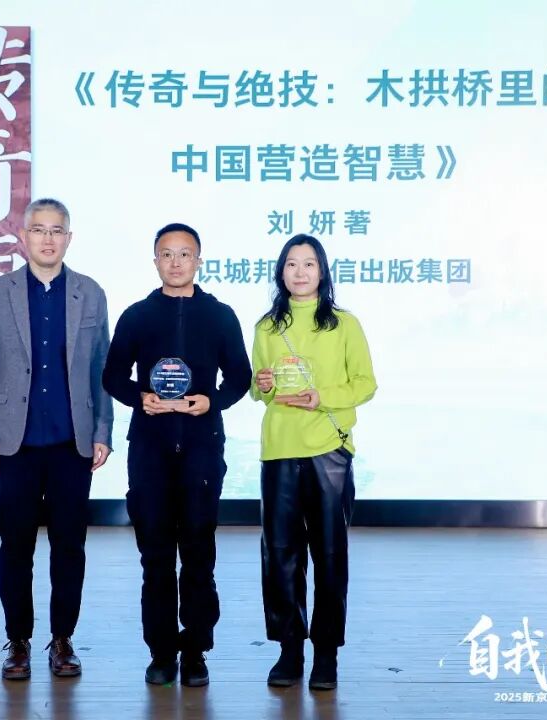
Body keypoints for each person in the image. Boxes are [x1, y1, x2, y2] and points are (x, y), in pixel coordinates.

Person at [102, 222, 252, 687]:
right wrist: (139, 398)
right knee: (156, 555)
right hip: (150, 449)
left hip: (202, 449)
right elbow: (112, 376)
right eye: (166, 254)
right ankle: (162, 652)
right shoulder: (137, 316)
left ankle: (197, 650)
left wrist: (213, 401)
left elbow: (241, 377)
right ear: (155, 261)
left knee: (199, 552)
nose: (176, 262)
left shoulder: (220, 315)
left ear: (199, 260)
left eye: (185, 254)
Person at [0, 198, 114, 680]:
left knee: (70, 545)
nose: (48, 239)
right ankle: (18, 641)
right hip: (15, 442)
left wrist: (103, 430)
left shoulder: (90, 293)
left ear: (68, 238)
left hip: (73, 442)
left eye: (57, 231)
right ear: (24, 237)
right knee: (16, 546)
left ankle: (63, 639)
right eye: (39, 230)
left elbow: (102, 369)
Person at [250, 233, 377, 691]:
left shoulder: (344, 324)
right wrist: (263, 383)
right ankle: (289, 650)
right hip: (280, 449)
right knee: (280, 555)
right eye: (291, 264)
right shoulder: (267, 327)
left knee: (329, 554)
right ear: (280, 272)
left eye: (309, 264)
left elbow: (365, 383)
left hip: (328, 450)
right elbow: (258, 389)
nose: (299, 272)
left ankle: (326, 653)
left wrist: (323, 397)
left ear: (322, 271)